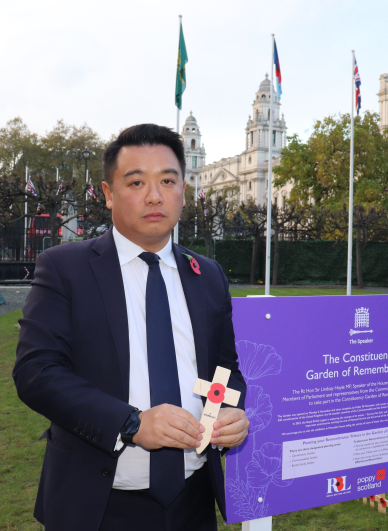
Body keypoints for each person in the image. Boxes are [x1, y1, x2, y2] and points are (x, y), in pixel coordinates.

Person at [13, 124, 249, 531]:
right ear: (108, 194)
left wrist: (232, 412)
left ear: (183, 192)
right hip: (99, 505)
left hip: (193, 502)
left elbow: (226, 370)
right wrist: (132, 423)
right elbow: (37, 373)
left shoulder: (208, 275)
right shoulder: (65, 268)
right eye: (136, 181)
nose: (155, 196)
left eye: (168, 181)